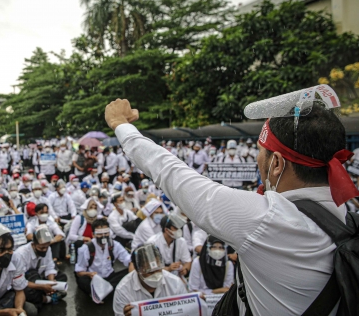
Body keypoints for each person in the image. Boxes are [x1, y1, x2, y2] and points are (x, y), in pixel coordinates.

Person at [104, 97, 358, 315]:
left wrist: (120, 125)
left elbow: (170, 172)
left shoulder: (265, 219)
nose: (257, 158)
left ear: (277, 164)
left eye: (260, 150)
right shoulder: (350, 214)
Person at [113, 244, 189, 316]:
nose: (156, 276)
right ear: (137, 270)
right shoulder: (123, 290)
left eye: (158, 269)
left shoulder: (175, 283)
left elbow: (187, 310)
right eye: (150, 272)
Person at [15, 225, 68, 310]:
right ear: (33, 244)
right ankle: (46, 299)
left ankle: (43, 296)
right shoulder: (21, 254)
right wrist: (41, 287)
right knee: (26, 291)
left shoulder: (48, 249)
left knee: (62, 277)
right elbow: (20, 281)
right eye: (41, 247)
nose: (44, 250)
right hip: (28, 282)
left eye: (46, 247)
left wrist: (51, 283)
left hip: (41, 279)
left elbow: (50, 267)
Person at [74, 218, 131, 298]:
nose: (103, 236)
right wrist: (89, 274)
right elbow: (79, 272)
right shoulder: (85, 248)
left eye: (106, 233)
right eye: (100, 234)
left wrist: (133, 263)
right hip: (94, 279)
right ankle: (106, 291)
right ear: (93, 234)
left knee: (129, 272)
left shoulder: (114, 245)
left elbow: (127, 258)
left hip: (110, 277)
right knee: (83, 280)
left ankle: (105, 291)